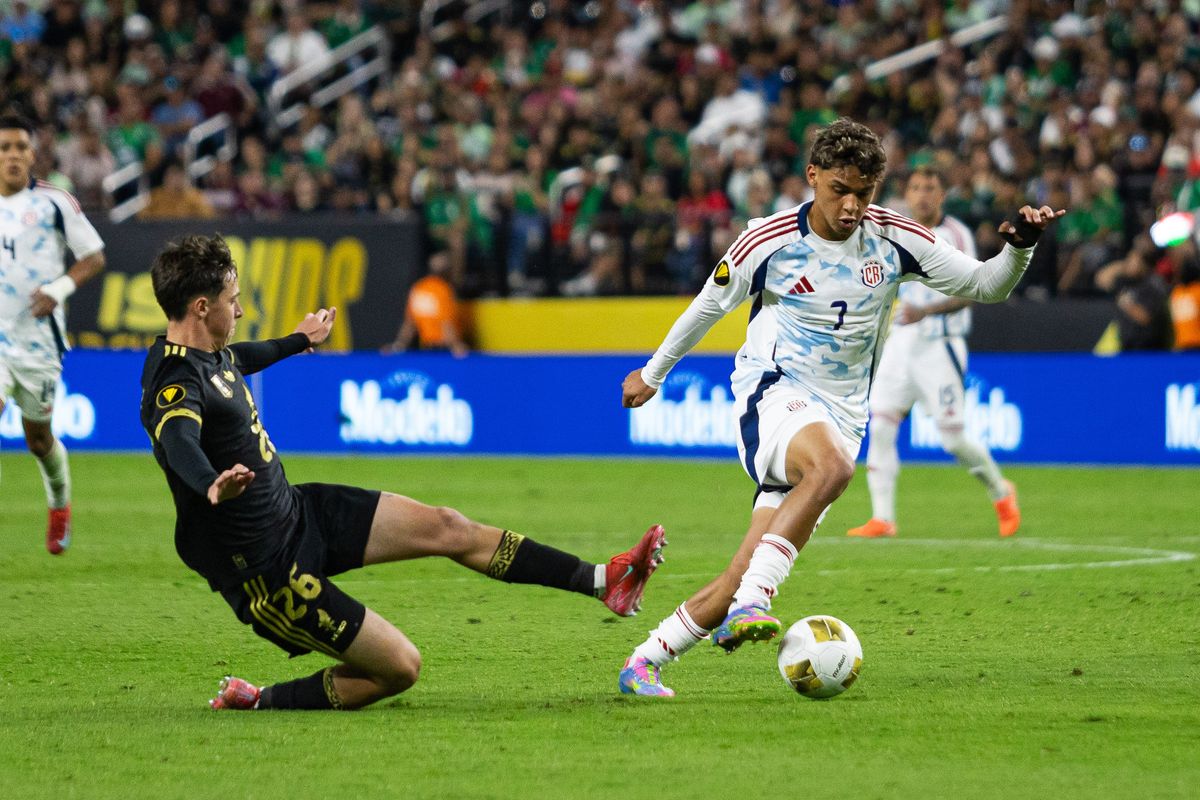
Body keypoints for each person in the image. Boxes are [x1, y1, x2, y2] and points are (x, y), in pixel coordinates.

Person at [617, 118, 1063, 697]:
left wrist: (1020, 248)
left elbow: (985, 285)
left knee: (741, 570)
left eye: (864, 193)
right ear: (813, 176)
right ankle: (756, 601)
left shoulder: (895, 239)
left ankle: (644, 661)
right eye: (839, 190)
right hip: (772, 392)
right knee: (832, 471)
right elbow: (708, 305)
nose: (851, 206)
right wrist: (653, 373)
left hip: (844, 417)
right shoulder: (768, 240)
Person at [140, 234, 665, 711]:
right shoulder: (174, 379)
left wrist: (299, 340)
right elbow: (178, 436)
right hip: (269, 569)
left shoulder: (210, 354)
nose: (239, 309)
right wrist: (209, 481)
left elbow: (241, 359)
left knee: (447, 526)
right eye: (232, 300)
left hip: (299, 512)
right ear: (201, 306)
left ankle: (604, 581)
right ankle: (259, 700)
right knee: (399, 668)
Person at [847, 166, 1020, 540]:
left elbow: (976, 289)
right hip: (901, 342)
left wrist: (926, 311)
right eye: (915, 188)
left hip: (940, 345)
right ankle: (883, 518)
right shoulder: (897, 231)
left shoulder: (956, 234)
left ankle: (1001, 491)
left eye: (930, 188)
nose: (922, 195)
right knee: (880, 424)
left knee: (953, 438)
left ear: (942, 195)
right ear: (906, 195)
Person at [0, 113, 106, 554]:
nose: (12, 155)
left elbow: (94, 256)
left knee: (38, 439)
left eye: (20, 147)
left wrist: (58, 289)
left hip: (39, 342)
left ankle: (59, 504)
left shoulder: (54, 202)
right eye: (4, 148)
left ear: (32, 154)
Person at [382, 251, 469, 357]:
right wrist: (456, 345)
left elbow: (409, 323)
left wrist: (399, 345)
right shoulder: (443, 290)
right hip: (445, 349)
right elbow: (446, 323)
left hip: (426, 347)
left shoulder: (419, 287)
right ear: (448, 271)